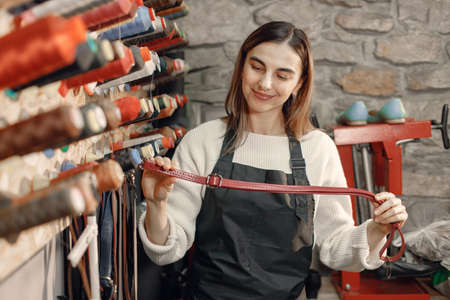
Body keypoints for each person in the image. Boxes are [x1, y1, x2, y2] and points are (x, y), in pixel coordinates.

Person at [138, 21, 408, 299]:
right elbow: (166, 251)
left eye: (282, 75)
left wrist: (377, 229)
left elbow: (335, 250)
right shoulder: (203, 141)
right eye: (257, 67)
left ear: (299, 83)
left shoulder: (318, 149)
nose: (265, 84)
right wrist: (157, 205)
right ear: (242, 67)